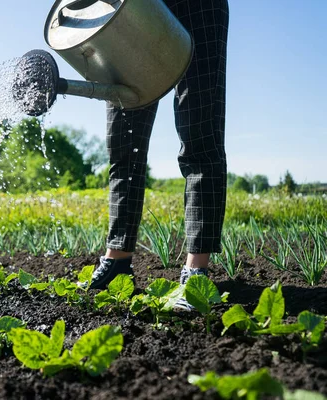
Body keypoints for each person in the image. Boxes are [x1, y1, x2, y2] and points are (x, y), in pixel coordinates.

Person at [88, 0, 230, 311]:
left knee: (199, 133)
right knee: (124, 145)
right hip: (128, 10)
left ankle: (196, 271)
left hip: (198, 7)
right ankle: (117, 260)